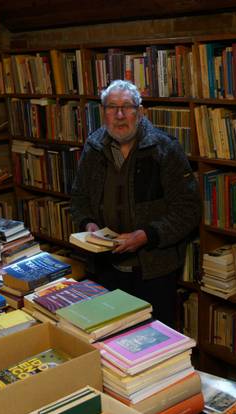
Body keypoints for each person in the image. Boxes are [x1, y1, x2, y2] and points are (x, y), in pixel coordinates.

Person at [70, 79, 200, 328]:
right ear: (103, 112)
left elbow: (188, 209)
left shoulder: (164, 148)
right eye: (112, 107)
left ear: (140, 112)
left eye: (127, 107)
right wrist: (87, 224)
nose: (120, 115)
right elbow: (79, 197)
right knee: (107, 337)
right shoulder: (94, 147)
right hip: (104, 266)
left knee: (153, 341)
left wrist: (146, 235)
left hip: (153, 270)